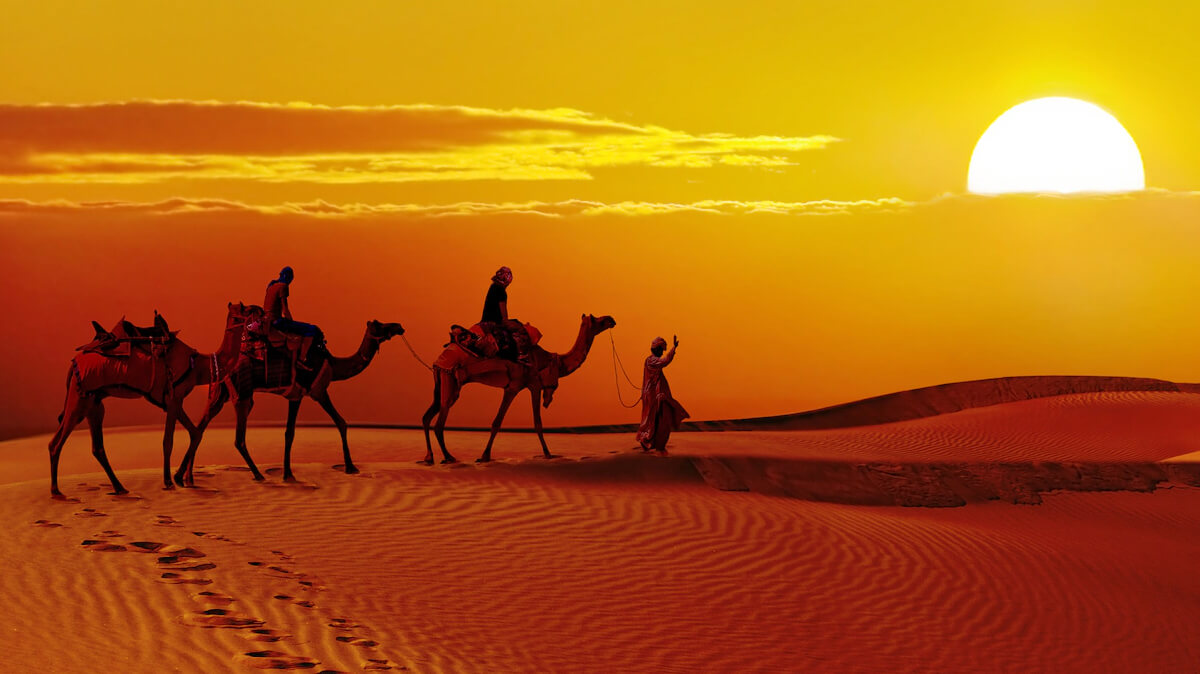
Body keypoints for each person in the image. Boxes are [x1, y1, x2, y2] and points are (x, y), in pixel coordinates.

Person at [263, 266, 321, 378]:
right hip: (277, 321)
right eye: (290, 278)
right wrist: (290, 321)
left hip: (268, 321)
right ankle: (301, 359)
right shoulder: (283, 287)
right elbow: (285, 309)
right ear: (286, 277)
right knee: (311, 329)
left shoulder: (271, 286)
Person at [636, 335, 689, 453]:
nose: (661, 352)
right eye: (661, 350)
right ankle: (648, 441)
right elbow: (665, 361)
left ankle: (654, 442)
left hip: (654, 394)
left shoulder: (650, 360)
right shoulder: (651, 360)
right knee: (651, 420)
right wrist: (673, 348)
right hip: (652, 395)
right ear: (657, 349)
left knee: (658, 418)